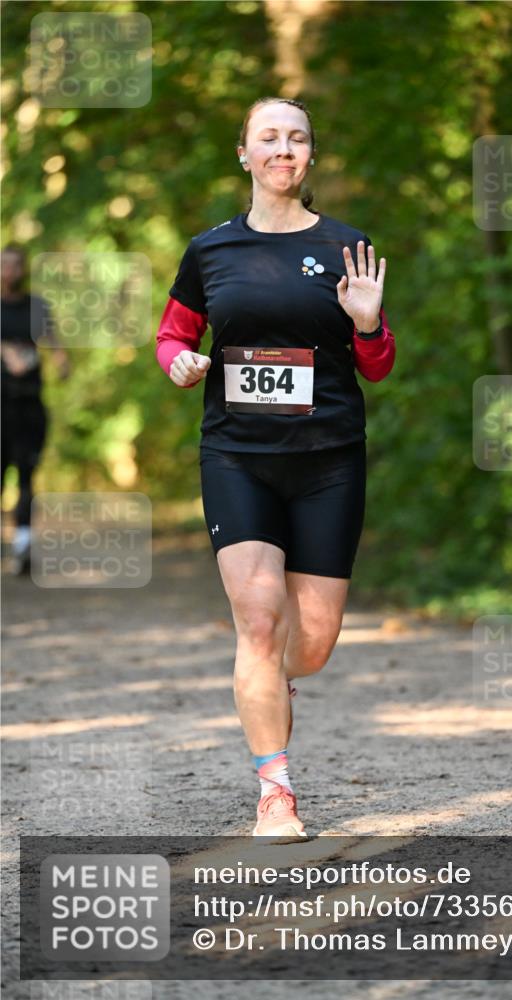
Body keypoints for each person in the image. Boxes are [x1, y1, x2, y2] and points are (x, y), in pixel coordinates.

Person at [155, 96, 396, 841]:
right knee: (257, 623)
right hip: (237, 456)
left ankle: (271, 681)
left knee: (312, 644)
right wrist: (183, 364)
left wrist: (367, 322)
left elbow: (377, 368)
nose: (283, 148)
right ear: (245, 154)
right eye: (269, 137)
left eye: (296, 137)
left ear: (310, 156)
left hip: (327, 457)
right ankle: (275, 793)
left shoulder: (348, 246)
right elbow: (171, 336)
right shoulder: (210, 251)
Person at [1, 244, 69, 575]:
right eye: (5, 265)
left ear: (23, 268)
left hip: (29, 405)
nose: (10, 271)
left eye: (16, 265)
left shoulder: (35, 306)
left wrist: (60, 360)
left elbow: (53, 342)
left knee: (27, 476)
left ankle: (23, 548)